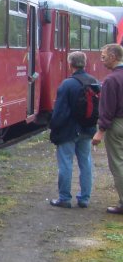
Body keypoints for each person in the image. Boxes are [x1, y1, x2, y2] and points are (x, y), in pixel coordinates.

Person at [49, 51, 98, 208]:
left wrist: (54, 128)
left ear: (70, 64)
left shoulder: (67, 84)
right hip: (87, 129)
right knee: (86, 163)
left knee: (65, 164)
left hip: (69, 131)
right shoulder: (93, 81)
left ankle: (64, 198)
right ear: (85, 63)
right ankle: (84, 198)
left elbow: (59, 111)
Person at [92, 43, 123, 214]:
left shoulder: (111, 80)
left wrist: (100, 131)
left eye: (103, 57)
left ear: (113, 57)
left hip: (117, 124)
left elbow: (107, 108)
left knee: (118, 164)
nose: (102, 61)